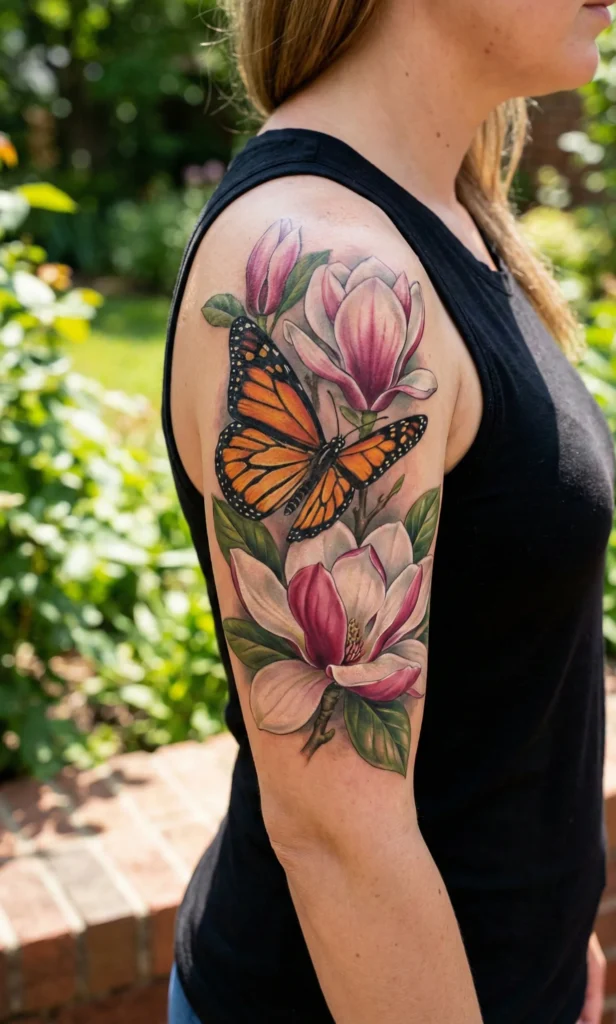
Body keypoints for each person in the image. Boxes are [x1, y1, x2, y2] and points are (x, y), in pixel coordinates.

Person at [161, 1, 616, 1021]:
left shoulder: (444, 210)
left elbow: (493, 652)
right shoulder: (321, 258)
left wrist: (554, 933)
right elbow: (336, 831)